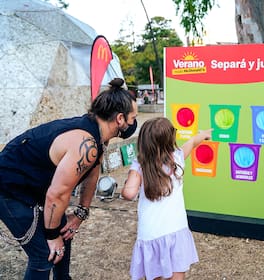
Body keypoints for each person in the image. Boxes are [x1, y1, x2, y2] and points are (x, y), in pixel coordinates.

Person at [0, 78, 138, 280]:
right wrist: (51, 235)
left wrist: (81, 213)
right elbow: (57, 194)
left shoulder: (97, 135)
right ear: (120, 119)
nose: (134, 123)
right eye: (133, 118)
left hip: (34, 186)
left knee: (64, 232)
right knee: (43, 254)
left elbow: (92, 172)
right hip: (9, 188)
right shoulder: (86, 142)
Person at [121, 117, 212, 280]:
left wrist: (130, 177)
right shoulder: (176, 159)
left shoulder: (140, 166)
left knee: (155, 274)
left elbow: (129, 194)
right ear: (170, 140)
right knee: (177, 273)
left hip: (151, 234)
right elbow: (191, 143)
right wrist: (203, 135)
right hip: (176, 229)